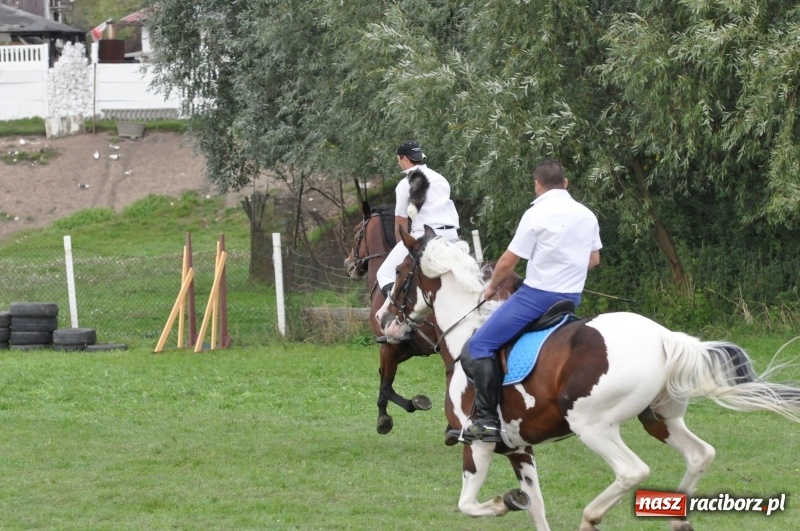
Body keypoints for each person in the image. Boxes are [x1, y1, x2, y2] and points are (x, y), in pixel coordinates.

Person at [453, 158, 602, 443]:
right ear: (566, 183)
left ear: (537, 184)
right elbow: (593, 260)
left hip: (537, 297)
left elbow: (508, 263)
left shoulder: (535, 215)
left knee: (480, 345)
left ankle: (487, 421)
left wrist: (491, 287)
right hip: (571, 298)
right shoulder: (587, 214)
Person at [375, 141, 461, 339]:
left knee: (386, 272)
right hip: (452, 236)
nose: (399, 163)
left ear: (404, 159)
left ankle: (392, 317)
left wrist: (400, 246)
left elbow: (400, 220)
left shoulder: (404, 184)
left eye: (398, 160)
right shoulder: (441, 178)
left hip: (425, 238)